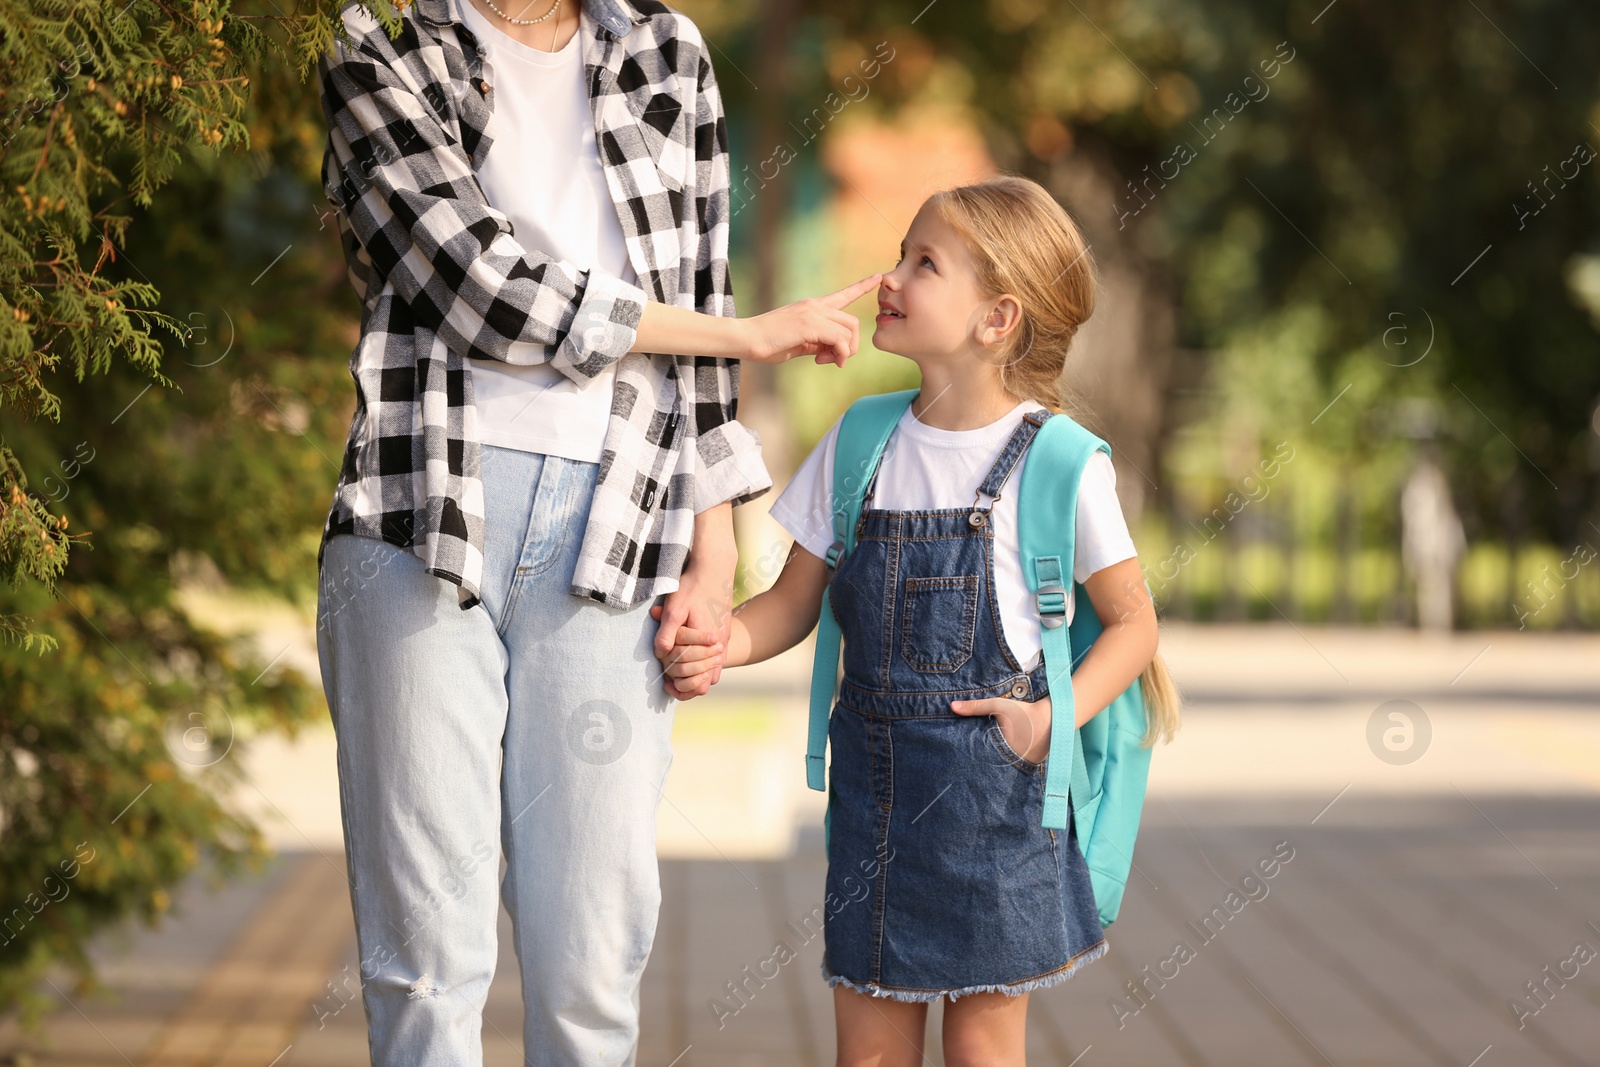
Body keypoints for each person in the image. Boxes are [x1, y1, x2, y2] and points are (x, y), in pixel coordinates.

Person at [313, 0, 877, 1063]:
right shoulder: (381, 39)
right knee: (424, 962)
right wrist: (748, 333)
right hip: (419, 515)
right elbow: (475, 285)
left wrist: (716, 549)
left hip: (621, 520)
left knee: (591, 964)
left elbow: (696, 301)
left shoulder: (664, 49)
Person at [655, 175, 1181, 1066]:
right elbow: (791, 602)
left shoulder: (1058, 463)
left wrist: (1051, 719)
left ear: (996, 318)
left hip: (999, 808)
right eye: (900, 253)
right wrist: (721, 642)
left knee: (982, 1049)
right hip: (878, 807)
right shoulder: (862, 442)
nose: (890, 277)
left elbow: (1134, 627)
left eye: (924, 262)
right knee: (868, 1053)